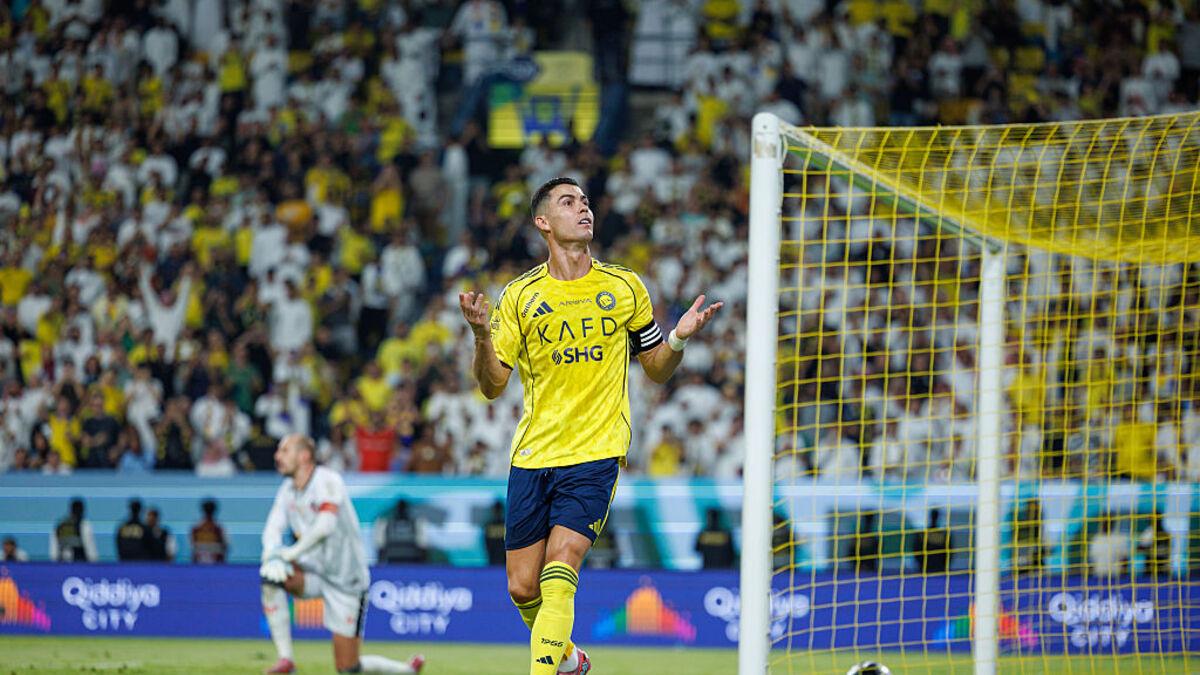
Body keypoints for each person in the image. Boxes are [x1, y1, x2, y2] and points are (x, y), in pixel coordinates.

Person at [458, 176, 723, 675]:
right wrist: (479, 337)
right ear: (543, 222)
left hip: (597, 451)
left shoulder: (624, 287)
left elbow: (656, 368)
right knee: (521, 586)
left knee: (561, 566)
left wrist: (680, 339)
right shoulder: (518, 297)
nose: (583, 208)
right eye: (568, 202)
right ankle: (571, 659)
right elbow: (492, 386)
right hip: (533, 455)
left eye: (584, 201)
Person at [258, 434, 424, 674]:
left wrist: (289, 552)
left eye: (284, 451)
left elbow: (325, 527)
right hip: (313, 571)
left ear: (304, 456)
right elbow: (272, 528)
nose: (277, 456)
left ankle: (406, 671)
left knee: (348, 668)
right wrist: (271, 554)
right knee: (271, 577)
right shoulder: (287, 490)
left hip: (347, 581)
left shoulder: (327, 480)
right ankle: (286, 660)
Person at [373, 499, 428, 564]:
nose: (402, 511)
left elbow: (422, 543)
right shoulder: (384, 521)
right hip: (392, 556)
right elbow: (379, 542)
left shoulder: (417, 522)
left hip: (412, 557)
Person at [50, 498, 97, 562]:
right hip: (80, 565)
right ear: (82, 510)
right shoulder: (85, 525)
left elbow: (53, 552)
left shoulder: (60, 526)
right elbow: (91, 550)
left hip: (62, 566)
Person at [912, 509, 952, 573]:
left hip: (931, 570)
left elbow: (917, 552)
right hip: (936, 569)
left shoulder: (923, 535)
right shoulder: (944, 535)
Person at [191, 498, 229, 564]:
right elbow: (225, 547)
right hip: (212, 564)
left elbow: (193, 548)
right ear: (215, 510)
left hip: (206, 563)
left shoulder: (196, 528)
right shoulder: (219, 528)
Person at [483, 500, 507, 566]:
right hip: (497, 560)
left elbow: (486, 544)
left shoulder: (488, 525)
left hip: (498, 560)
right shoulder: (506, 525)